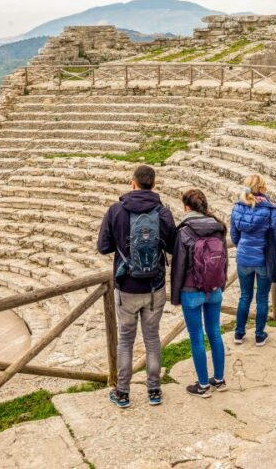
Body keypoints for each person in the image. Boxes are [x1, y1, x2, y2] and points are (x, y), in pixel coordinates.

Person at [97, 165, 176, 409]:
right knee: (152, 338)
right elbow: (173, 247)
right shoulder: (163, 213)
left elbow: (103, 247)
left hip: (126, 286)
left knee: (126, 340)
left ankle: (122, 392)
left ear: (133, 183)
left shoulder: (116, 211)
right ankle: (154, 390)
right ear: (153, 184)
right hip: (155, 286)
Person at [170, 189, 228, 398]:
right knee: (214, 331)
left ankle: (203, 385)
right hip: (214, 288)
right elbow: (224, 261)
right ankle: (219, 380)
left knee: (196, 336)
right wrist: (221, 284)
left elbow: (178, 266)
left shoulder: (184, 231)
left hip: (190, 291)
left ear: (186, 207)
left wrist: (175, 296)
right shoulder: (219, 228)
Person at [230, 174, 276, 346]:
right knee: (262, 298)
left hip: (243, 259)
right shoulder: (269, 210)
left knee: (244, 296)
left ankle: (239, 334)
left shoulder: (237, 208)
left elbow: (234, 236)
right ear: (262, 188)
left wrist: (243, 248)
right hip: (263, 258)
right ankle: (259, 335)